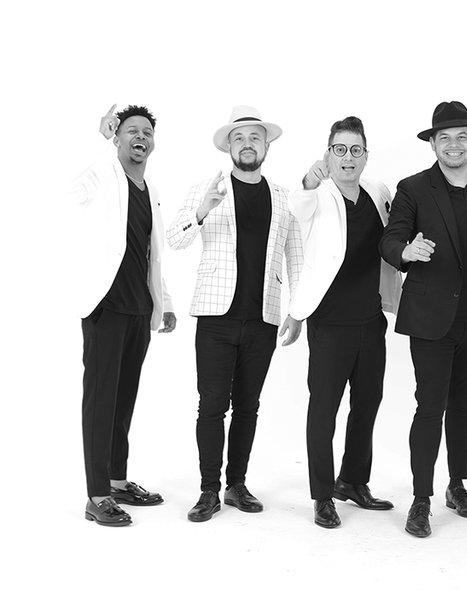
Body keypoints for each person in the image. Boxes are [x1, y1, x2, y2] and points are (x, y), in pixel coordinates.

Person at [379, 101, 467, 538]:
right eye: (444, 138)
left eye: (462, 137)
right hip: (430, 319)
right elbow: (390, 239)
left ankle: (457, 486)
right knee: (430, 406)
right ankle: (421, 499)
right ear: (433, 144)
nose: (453, 145)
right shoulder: (413, 188)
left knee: (463, 404)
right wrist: (406, 252)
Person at [167, 105, 303, 522]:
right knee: (211, 405)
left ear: (266, 146)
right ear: (229, 146)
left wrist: (298, 311)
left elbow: (296, 257)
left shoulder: (283, 197)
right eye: (239, 138)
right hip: (216, 317)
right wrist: (201, 212)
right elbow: (174, 239)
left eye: (255, 138)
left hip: (263, 316)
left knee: (248, 405)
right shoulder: (207, 188)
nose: (247, 144)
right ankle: (209, 490)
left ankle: (236, 485)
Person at [289, 116, 402, 528]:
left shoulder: (377, 191)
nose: (348, 158)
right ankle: (322, 496)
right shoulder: (317, 194)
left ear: (366, 156)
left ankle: (352, 481)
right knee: (324, 411)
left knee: (367, 404)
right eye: (340, 150)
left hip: (370, 319)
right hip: (329, 323)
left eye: (356, 150)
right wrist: (308, 180)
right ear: (328, 154)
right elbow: (296, 205)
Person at [69, 104, 176, 526]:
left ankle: (116, 482)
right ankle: (96, 496)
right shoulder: (104, 177)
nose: (141, 137)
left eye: (147, 132)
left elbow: (152, 253)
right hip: (107, 307)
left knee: (123, 400)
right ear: (117, 138)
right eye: (132, 130)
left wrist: (164, 301)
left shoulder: (150, 189)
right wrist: (100, 146)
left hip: (139, 310)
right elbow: (73, 193)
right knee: (100, 402)